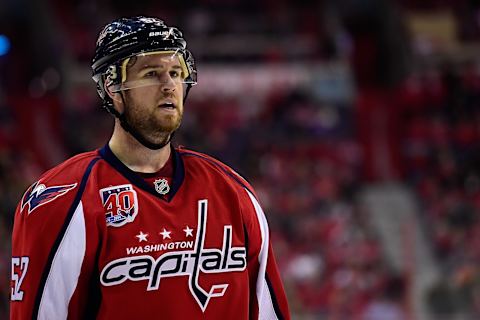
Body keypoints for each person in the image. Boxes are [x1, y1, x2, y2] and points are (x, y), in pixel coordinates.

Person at [10, 16, 290, 319]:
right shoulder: (61, 200)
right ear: (112, 87)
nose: (169, 86)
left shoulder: (233, 192)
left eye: (175, 72)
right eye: (152, 73)